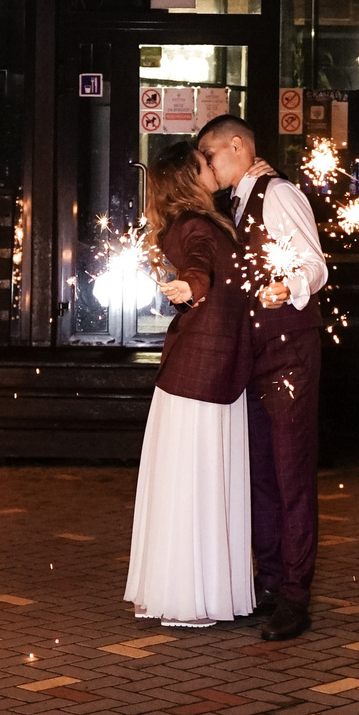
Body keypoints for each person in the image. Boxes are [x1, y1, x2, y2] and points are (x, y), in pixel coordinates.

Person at [198, 115, 326, 641]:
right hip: (253, 353)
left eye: (210, 156)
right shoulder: (234, 202)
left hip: (288, 348)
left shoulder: (278, 193)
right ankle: (271, 582)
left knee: (291, 473)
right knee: (261, 475)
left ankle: (295, 596)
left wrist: (287, 286)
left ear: (237, 145)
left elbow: (314, 264)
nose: (207, 167)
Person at [126, 138, 256, 626]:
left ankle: (180, 590)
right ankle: (188, 598)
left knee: (190, 480)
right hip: (202, 371)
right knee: (196, 481)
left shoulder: (189, 221)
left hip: (203, 369)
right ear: (188, 176)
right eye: (204, 162)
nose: (211, 166)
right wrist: (191, 285)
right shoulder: (196, 225)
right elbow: (199, 262)